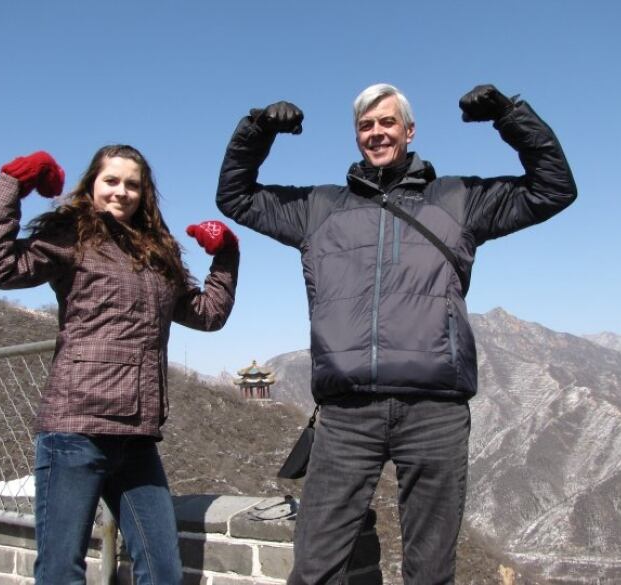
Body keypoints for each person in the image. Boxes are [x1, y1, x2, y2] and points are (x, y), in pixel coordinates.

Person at [216, 83, 576, 584]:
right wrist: (257, 131)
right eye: (366, 125)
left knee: (430, 571)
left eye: (387, 122)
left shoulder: (457, 200)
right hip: (346, 415)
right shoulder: (319, 208)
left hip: (434, 411)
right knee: (316, 566)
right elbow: (235, 195)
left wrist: (510, 117)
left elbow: (553, 188)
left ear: (409, 131)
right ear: (356, 137)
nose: (377, 132)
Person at [0, 145, 239, 585]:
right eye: (111, 180)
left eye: (133, 184)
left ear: (144, 193)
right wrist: (12, 183)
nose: (121, 191)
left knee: (163, 569)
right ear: (92, 184)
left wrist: (226, 256)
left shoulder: (158, 255)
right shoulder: (72, 234)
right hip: (75, 430)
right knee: (61, 569)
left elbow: (207, 314)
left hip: (136, 436)